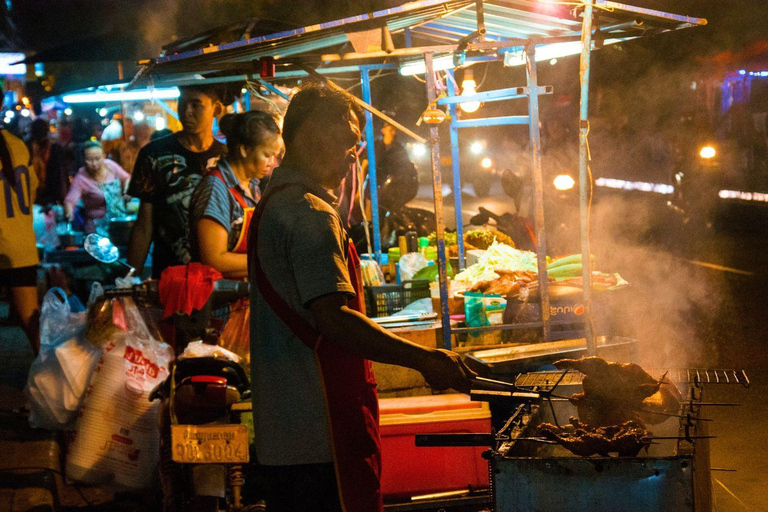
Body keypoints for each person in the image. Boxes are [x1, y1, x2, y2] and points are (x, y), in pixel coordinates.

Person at [248, 83, 474, 512]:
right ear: (313, 133)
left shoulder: (275, 203)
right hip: (323, 430)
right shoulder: (310, 215)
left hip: (287, 432)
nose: (354, 155)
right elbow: (334, 320)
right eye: (349, 142)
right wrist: (425, 359)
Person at [127, 84, 232, 278]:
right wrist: (128, 279)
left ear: (216, 109)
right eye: (182, 103)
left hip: (220, 280)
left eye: (196, 105)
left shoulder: (228, 157)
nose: (186, 112)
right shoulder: (154, 155)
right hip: (171, 278)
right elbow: (144, 225)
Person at [189, 111, 282, 279]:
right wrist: (271, 261)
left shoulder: (252, 185)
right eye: (267, 155)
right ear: (245, 150)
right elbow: (214, 259)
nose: (272, 163)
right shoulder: (215, 189)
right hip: (220, 299)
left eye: (275, 156)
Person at [0, 88, 40, 355]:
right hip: (22, 245)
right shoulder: (17, 143)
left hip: (3, 243)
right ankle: (57, 382)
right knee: (32, 324)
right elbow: (33, 190)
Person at [64, 140, 131, 233]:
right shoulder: (81, 178)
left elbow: (127, 178)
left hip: (118, 223)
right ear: (84, 159)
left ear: (103, 156)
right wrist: (69, 213)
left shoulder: (110, 166)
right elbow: (70, 201)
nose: (94, 163)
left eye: (97, 158)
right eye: (89, 159)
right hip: (96, 229)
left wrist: (127, 190)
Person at [27, 118, 67, 207]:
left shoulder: (28, 147)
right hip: (44, 193)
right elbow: (61, 174)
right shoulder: (54, 147)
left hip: (45, 194)